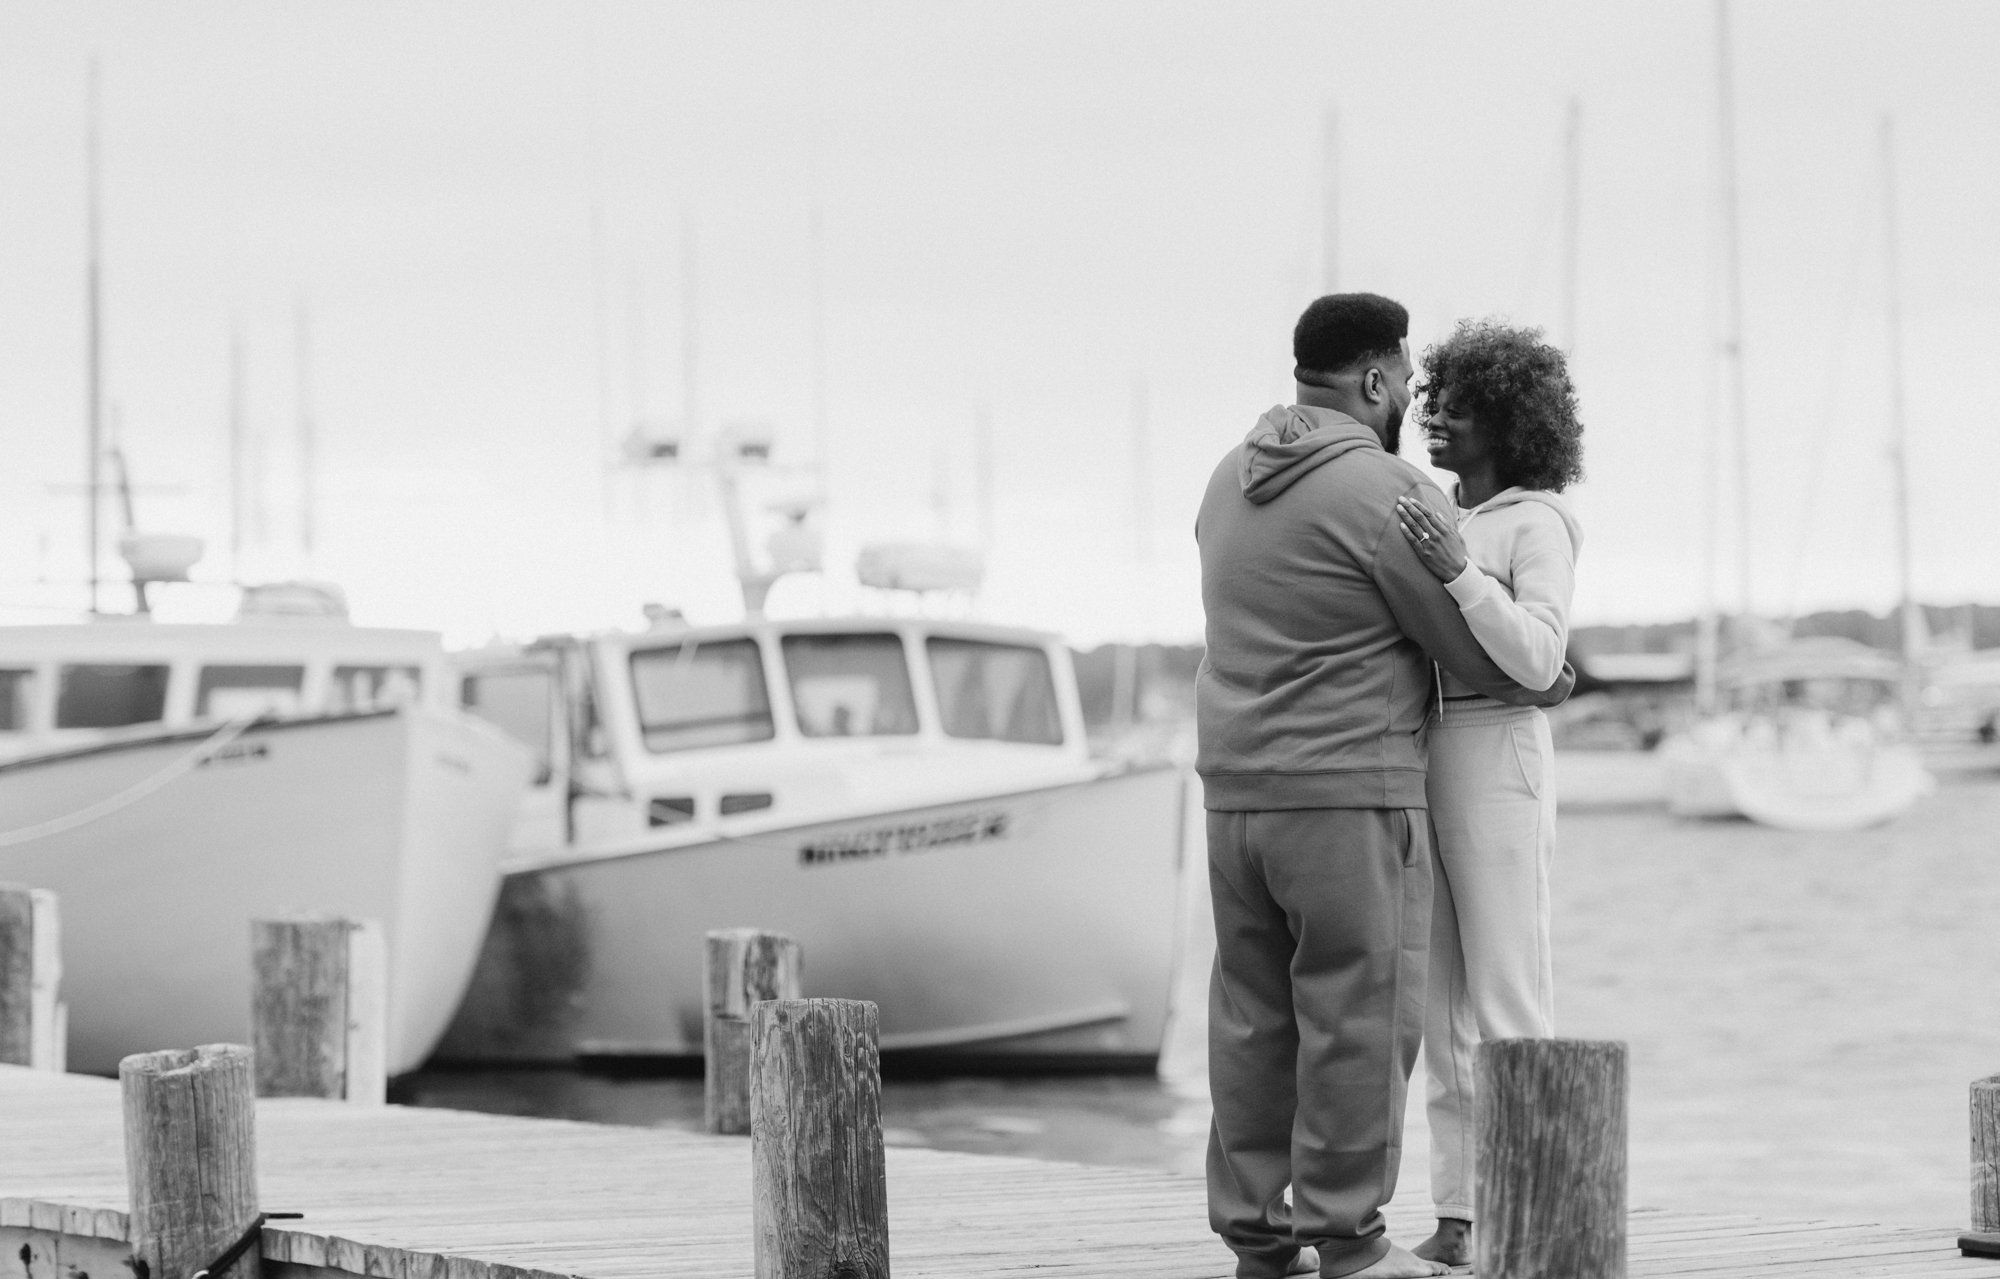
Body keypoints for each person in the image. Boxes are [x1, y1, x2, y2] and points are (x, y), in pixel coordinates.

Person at [1194, 294, 1574, 1279]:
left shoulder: (1224, 482)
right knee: (1354, 1016)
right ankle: (1354, 1245)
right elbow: (1478, 654)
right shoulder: (1382, 491)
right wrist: (1547, 676)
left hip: (1233, 792)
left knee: (1250, 1019)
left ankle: (1257, 1241)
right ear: (1372, 381)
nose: (1412, 396)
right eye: (1406, 379)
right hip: (1344, 791)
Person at [1392, 320, 1584, 1270]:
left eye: (1461, 406)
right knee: (1439, 1005)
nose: (1437, 416)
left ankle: (1536, 1199)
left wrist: (1458, 572)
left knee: (1508, 988)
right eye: (1434, 399)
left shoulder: (1532, 522)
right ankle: (1461, 1214)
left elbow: (1542, 656)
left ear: (1509, 421)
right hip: (1427, 750)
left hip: (1498, 749)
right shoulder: (1442, 511)